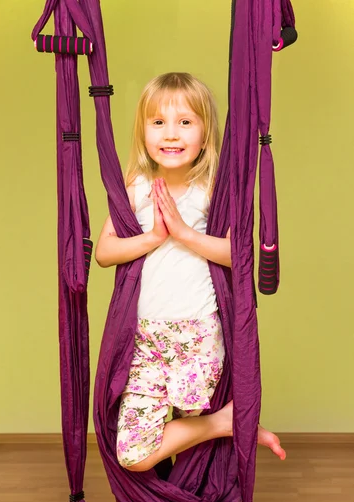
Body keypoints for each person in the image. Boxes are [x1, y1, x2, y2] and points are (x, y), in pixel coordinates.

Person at [95, 72, 286, 472]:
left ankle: (234, 426)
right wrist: (153, 237)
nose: (171, 133)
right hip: (144, 339)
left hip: (197, 336)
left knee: (195, 453)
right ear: (144, 133)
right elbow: (105, 252)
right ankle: (224, 423)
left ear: (204, 133)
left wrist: (182, 232)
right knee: (133, 453)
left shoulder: (213, 190)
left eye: (185, 122)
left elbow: (238, 253)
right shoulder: (137, 186)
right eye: (159, 122)